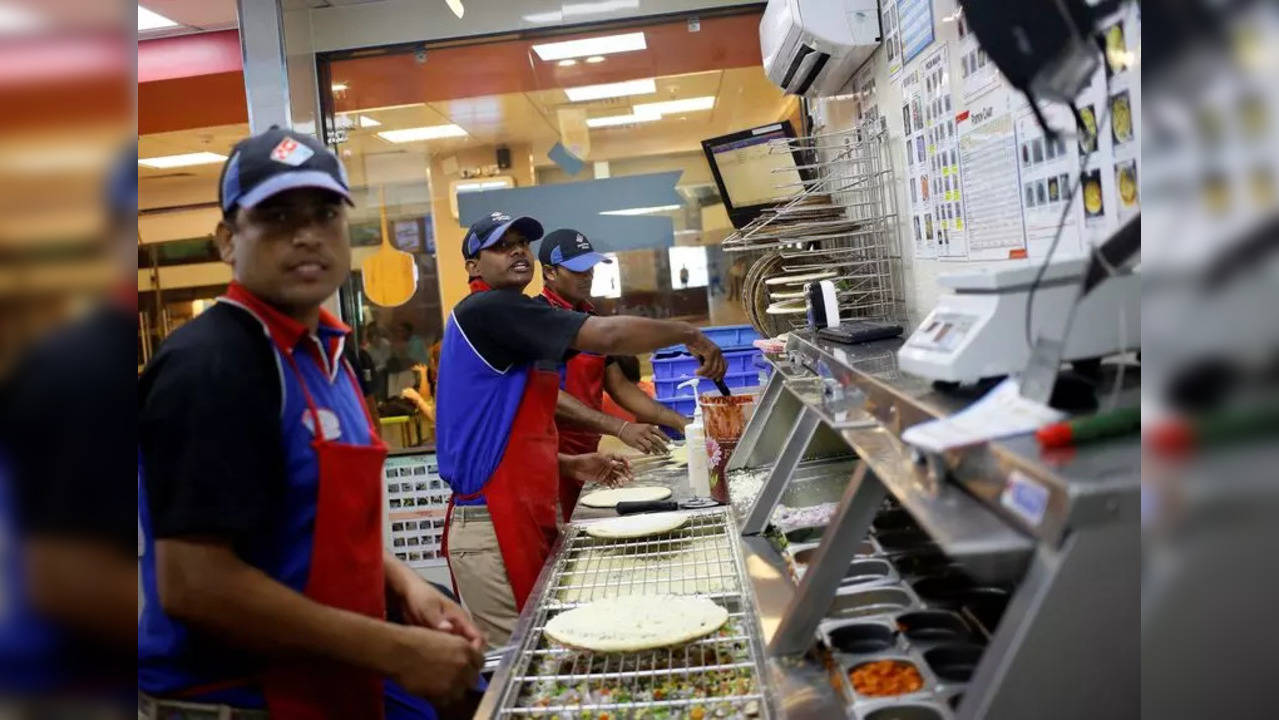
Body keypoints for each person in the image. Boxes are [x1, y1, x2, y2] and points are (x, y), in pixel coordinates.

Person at [138, 127, 483, 720]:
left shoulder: (326, 355)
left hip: (333, 684)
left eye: (325, 213)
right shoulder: (215, 364)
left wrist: (403, 586)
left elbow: (310, 529)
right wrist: (395, 648)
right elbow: (195, 583)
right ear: (227, 241)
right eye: (274, 217)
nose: (306, 235)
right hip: (242, 700)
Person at [436, 212, 726, 645]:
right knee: (520, 665)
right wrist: (689, 333)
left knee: (542, 646)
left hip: (518, 507)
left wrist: (568, 465)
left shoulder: (507, 318)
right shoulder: (487, 309)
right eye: (501, 245)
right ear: (473, 266)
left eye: (522, 243)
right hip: (491, 522)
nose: (518, 251)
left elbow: (496, 431)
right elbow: (606, 337)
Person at [536, 229, 694, 516]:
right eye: (578, 269)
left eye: (591, 267)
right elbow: (548, 396)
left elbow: (619, 386)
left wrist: (684, 424)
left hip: (589, 452)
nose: (588, 276)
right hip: (552, 458)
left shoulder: (589, 319)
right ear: (550, 273)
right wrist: (620, 428)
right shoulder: (538, 321)